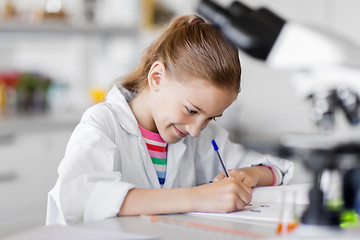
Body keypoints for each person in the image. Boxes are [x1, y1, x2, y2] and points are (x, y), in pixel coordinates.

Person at [46, 14, 294, 225]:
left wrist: (250, 175)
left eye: (211, 118)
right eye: (191, 110)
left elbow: (278, 167)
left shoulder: (202, 135)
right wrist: (198, 197)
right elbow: (79, 197)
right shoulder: (103, 123)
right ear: (157, 78)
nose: (196, 130)